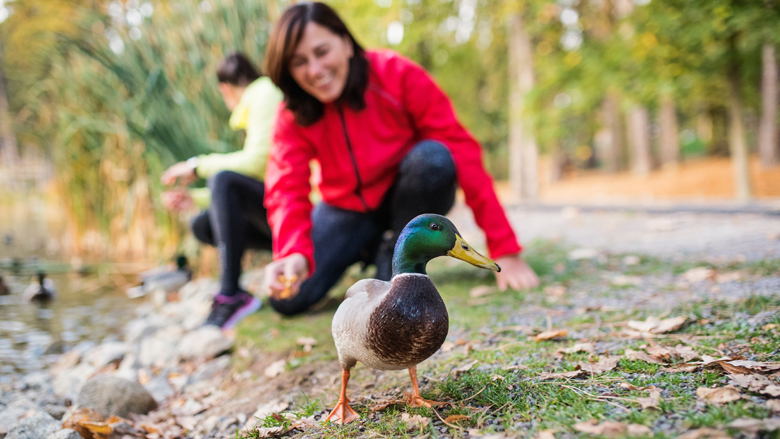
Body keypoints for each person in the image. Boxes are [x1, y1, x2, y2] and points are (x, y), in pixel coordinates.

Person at [261, 2, 539, 315]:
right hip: (346, 211)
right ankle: (368, 248)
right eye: (299, 62)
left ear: (346, 43)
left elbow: (463, 152)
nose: (314, 70)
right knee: (288, 299)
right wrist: (292, 252)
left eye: (322, 52)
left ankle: (392, 250)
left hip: (409, 199)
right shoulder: (292, 113)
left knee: (433, 157)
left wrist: (505, 249)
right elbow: (286, 187)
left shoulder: (397, 74)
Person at [161, 52, 283, 329]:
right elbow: (266, 177)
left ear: (225, 89)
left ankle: (230, 295)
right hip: (278, 206)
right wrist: (195, 197)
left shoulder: (264, 93)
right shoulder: (262, 97)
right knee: (202, 225)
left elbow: (257, 161)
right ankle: (234, 294)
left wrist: (197, 166)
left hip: (305, 211)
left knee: (223, 179)